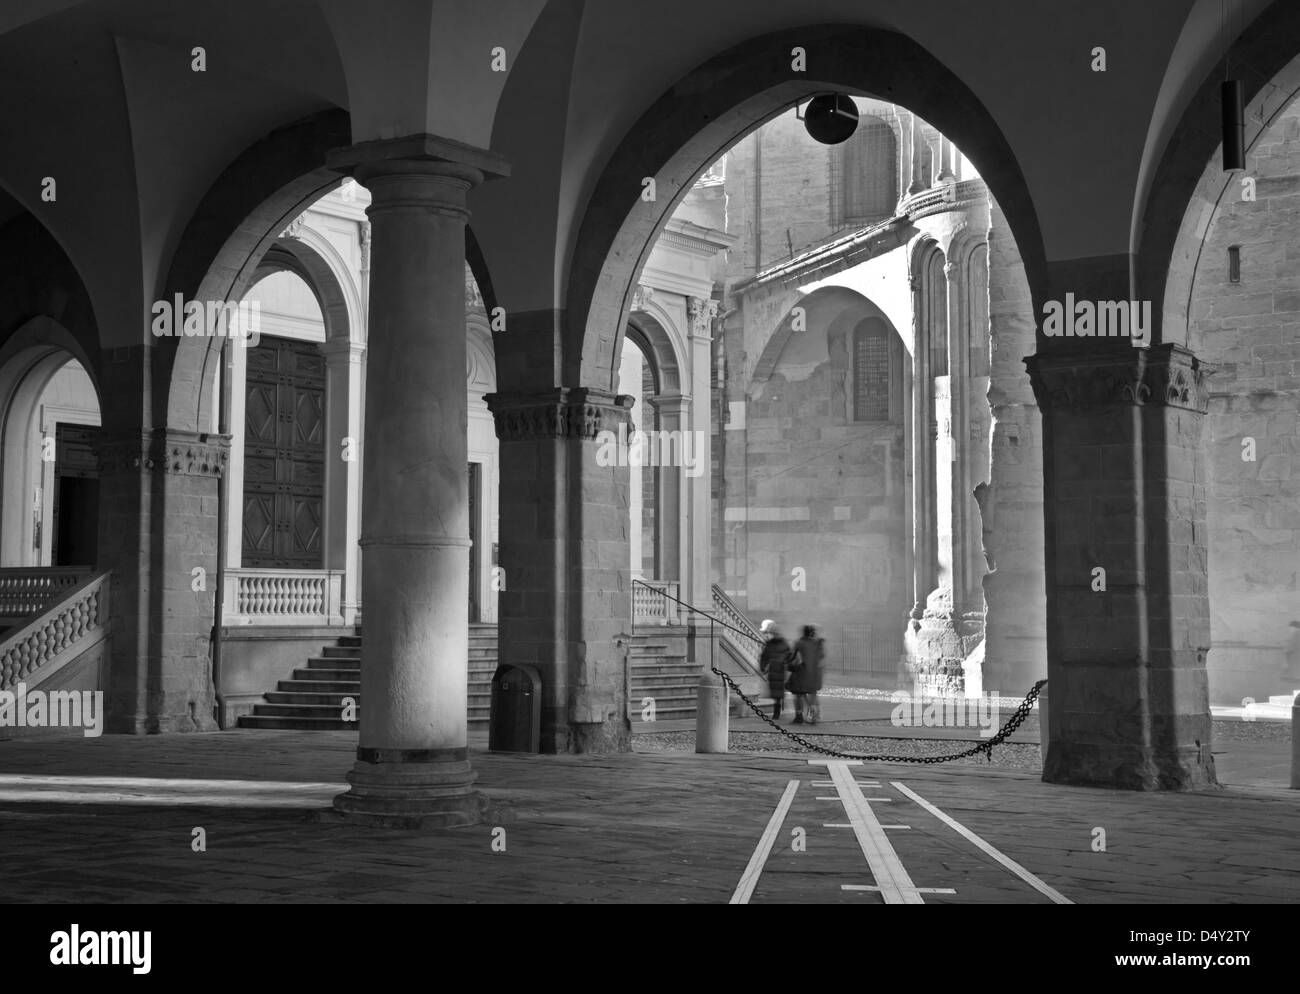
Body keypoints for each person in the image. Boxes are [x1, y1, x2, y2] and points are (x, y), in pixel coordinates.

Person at [790, 625, 825, 725]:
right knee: (812, 696)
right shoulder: (817, 644)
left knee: (798, 695)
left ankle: (799, 716)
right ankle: (813, 716)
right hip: (814, 674)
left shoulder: (799, 643)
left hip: (801, 673)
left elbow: (792, 658)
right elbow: (821, 657)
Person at [759, 621, 794, 721]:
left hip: (776, 669)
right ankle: (778, 709)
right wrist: (785, 661)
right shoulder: (781, 643)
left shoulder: (770, 644)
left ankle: (777, 711)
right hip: (778, 669)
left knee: (777, 692)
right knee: (778, 691)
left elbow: (764, 657)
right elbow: (790, 655)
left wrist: (763, 667)